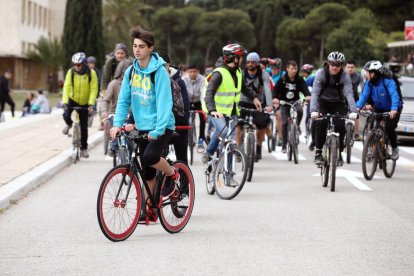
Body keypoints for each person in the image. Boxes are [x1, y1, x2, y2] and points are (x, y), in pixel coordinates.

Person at [110, 26, 179, 199]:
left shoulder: (160, 72)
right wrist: (118, 124)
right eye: (135, 46)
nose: (137, 50)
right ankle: (150, 208)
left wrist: (159, 129)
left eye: (141, 46)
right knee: (147, 172)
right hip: (142, 127)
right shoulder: (131, 71)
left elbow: (165, 103)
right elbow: (124, 100)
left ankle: (172, 174)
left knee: (149, 157)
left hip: (161, 126)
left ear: (150, 48)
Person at [201, 43, 262, 163]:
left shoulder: (238, 71)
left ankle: (228, 175)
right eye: (241, 57)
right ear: (235, 58)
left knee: (229, 140)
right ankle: (209, 153)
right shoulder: (219, 73)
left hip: (231, 111)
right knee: (224, 132)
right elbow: (209, 93)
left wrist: (254, 98)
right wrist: (213, 110)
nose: (242, 60)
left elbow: (243, 86)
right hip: (215, 110)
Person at [310, 51, 358, 166]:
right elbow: (315, 94)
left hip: (338, 103)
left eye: (338, 65)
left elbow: (349, 94)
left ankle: (339, 151)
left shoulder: (345, 76)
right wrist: (313, 110)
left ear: (341, 65)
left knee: (341, 126)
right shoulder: (321, 73)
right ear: (328, 63)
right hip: (323, 102)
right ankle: (319, 151)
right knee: (321, 123)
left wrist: (353, 111)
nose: (335, 67)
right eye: (332, 64)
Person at [355, 60, 402, 160]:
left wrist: (394, 109)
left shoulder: (388, 81)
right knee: (372, 124)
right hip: (379, 108)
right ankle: (373, 148)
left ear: (375, 73)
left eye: (369, 72)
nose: (367, 74)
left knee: (389, 128)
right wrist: (357, 107)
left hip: (393, 108)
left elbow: (394, 95)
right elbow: (364, 95)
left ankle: (394, 148)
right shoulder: (369, 83)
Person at [62, 52, 99, 158]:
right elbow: (66, 87)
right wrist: (65, 102)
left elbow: (93, 89)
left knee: (84, 126)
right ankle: (69, 124)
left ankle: (83, 149)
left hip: (85, 102)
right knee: (66, 115)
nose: (76, 66)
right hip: (72, 99)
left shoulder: (91, 73)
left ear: (83, 63)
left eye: (78, 64)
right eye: (74, 64)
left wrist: (91, 103)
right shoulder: (71, 72)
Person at [237, 52, 272, 161]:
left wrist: (269, 105)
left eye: (253, 62)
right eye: (248, 62)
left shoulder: (263, 74)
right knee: (239, 125)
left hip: (258, 104)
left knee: (261, 124)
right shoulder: (241, 74)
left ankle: (258, 147)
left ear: (257, 63)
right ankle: (238, 150)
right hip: (243, 102)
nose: (250, 64)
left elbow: (267, 89)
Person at [158, 51, 190, 164]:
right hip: (161, 124)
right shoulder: (153, 80)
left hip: (180, 123)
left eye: (162, 65)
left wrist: (183, 122)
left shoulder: (178, 81)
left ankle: (184, 180)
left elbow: (186, 105)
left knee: (181, 158)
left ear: (168, 65)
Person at [273, 60, 311, 153]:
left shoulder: (299, 79)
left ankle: (297, 126)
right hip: (284, 103)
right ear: (287, 69)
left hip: (295, 101)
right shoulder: (282, 79)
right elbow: (275, 90)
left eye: (296, 68)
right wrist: (275, 98)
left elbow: (305, 89)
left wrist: (307, 96)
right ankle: (284, 145)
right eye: (292, 68)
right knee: (284, 123)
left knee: (300, 111)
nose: (294, 70)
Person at [101, 59, 133, 156]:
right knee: (115, 130)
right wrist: (104, 111)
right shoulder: (113, 84)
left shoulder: (136, 84)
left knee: (132, 141)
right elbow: (105, 100)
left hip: (131, 115)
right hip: (115, 113)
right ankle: (113, 147)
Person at [183, 64, 206, 148]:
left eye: (194, 71)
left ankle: (201, 138)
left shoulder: (202, 79)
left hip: (198, 101)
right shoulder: (184, 79)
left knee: (202, 118)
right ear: (187, 72)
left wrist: (203, 108)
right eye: (190, 72)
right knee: (185, 118)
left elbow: (203, 94)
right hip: (187, 101)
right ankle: (188, 138)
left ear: (198, 72)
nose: (192, 73)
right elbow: (183, 93)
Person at [345, 60, 364, 141]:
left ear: (355, 68)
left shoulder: (358, 76)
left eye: (352, 67)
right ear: (345, 68)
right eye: (348, 67)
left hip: (355, 99)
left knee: (356, 116)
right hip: (343, 99)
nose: (350, 69)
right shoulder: (342, 75)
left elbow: (363, 88)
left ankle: (356, 133)